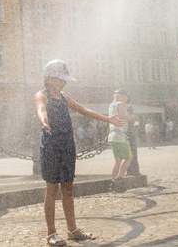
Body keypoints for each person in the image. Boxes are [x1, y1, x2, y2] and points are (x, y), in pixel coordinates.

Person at [34, 59, 124, 246]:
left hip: (67, 146)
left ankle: (73, 229)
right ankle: (51, 233)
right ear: (50, 79)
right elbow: (41, 109)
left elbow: (84, 110)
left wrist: (108, 119)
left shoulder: (64, 96)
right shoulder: (41, 95)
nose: (64, 82)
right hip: (51, 146)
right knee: (52, 188)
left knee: (68, 187)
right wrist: (44, 122)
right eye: (61, 79)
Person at [108, 89, 137, 188]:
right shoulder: (120, 104)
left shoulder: (111, 105)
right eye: (126, 97)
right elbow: (121, 117)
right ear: (122, 96)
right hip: (120, 136)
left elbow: (113, 117)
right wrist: (131, 117)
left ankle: (112, 182)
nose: (127, 99)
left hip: (112, 136)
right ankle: (118, 179)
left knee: (118, 160)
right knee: (129, 158)